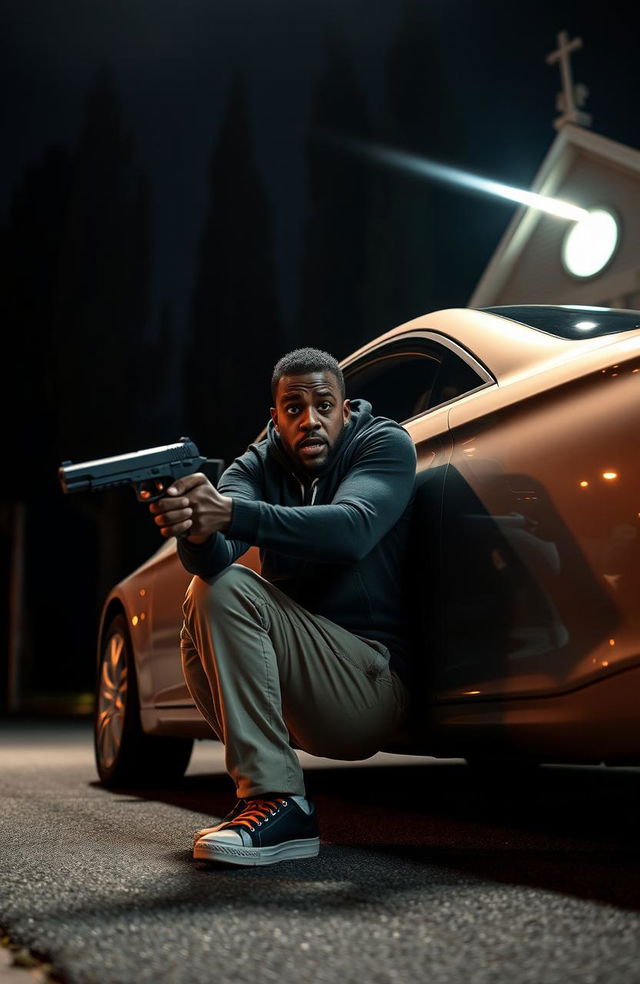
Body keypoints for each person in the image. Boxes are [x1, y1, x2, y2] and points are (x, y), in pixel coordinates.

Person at [148, 347, 417, 867]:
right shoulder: (257, 463)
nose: (309, 419)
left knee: (227, 589)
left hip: (370, 683)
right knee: (207, 591)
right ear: (275, 417)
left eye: (322, 405)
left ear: (344, 408)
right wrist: (192, 524)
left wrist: (228, 512)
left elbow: (353, 529)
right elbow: (211, 560)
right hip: (303, 688)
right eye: (293, 408)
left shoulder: (383, 443)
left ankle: (279, 802)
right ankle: (269, 798)